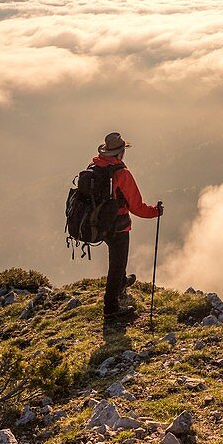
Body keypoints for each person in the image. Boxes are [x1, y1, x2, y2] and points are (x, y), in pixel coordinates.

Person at [91, 132, 163, 320]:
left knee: (116, 260)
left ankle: (122, 283)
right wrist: (156, 211)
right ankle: (111, 308)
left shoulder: (96, 167)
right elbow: (136, 207)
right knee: (117, 264)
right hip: (118, 226)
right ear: (120, 153)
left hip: (99, 223)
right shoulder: (122, 174)